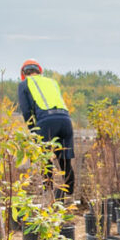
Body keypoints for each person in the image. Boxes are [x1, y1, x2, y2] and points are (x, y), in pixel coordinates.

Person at [17, 61, 76, 191]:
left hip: (46, 121)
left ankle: (48, 193)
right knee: (65, 161)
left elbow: (26, 111)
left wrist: (33, 130)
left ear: (23, 74)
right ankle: (68, 194)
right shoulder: (52, 82)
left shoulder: (24, 84)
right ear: (39, 71)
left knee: (45, 159)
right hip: (66, 120)